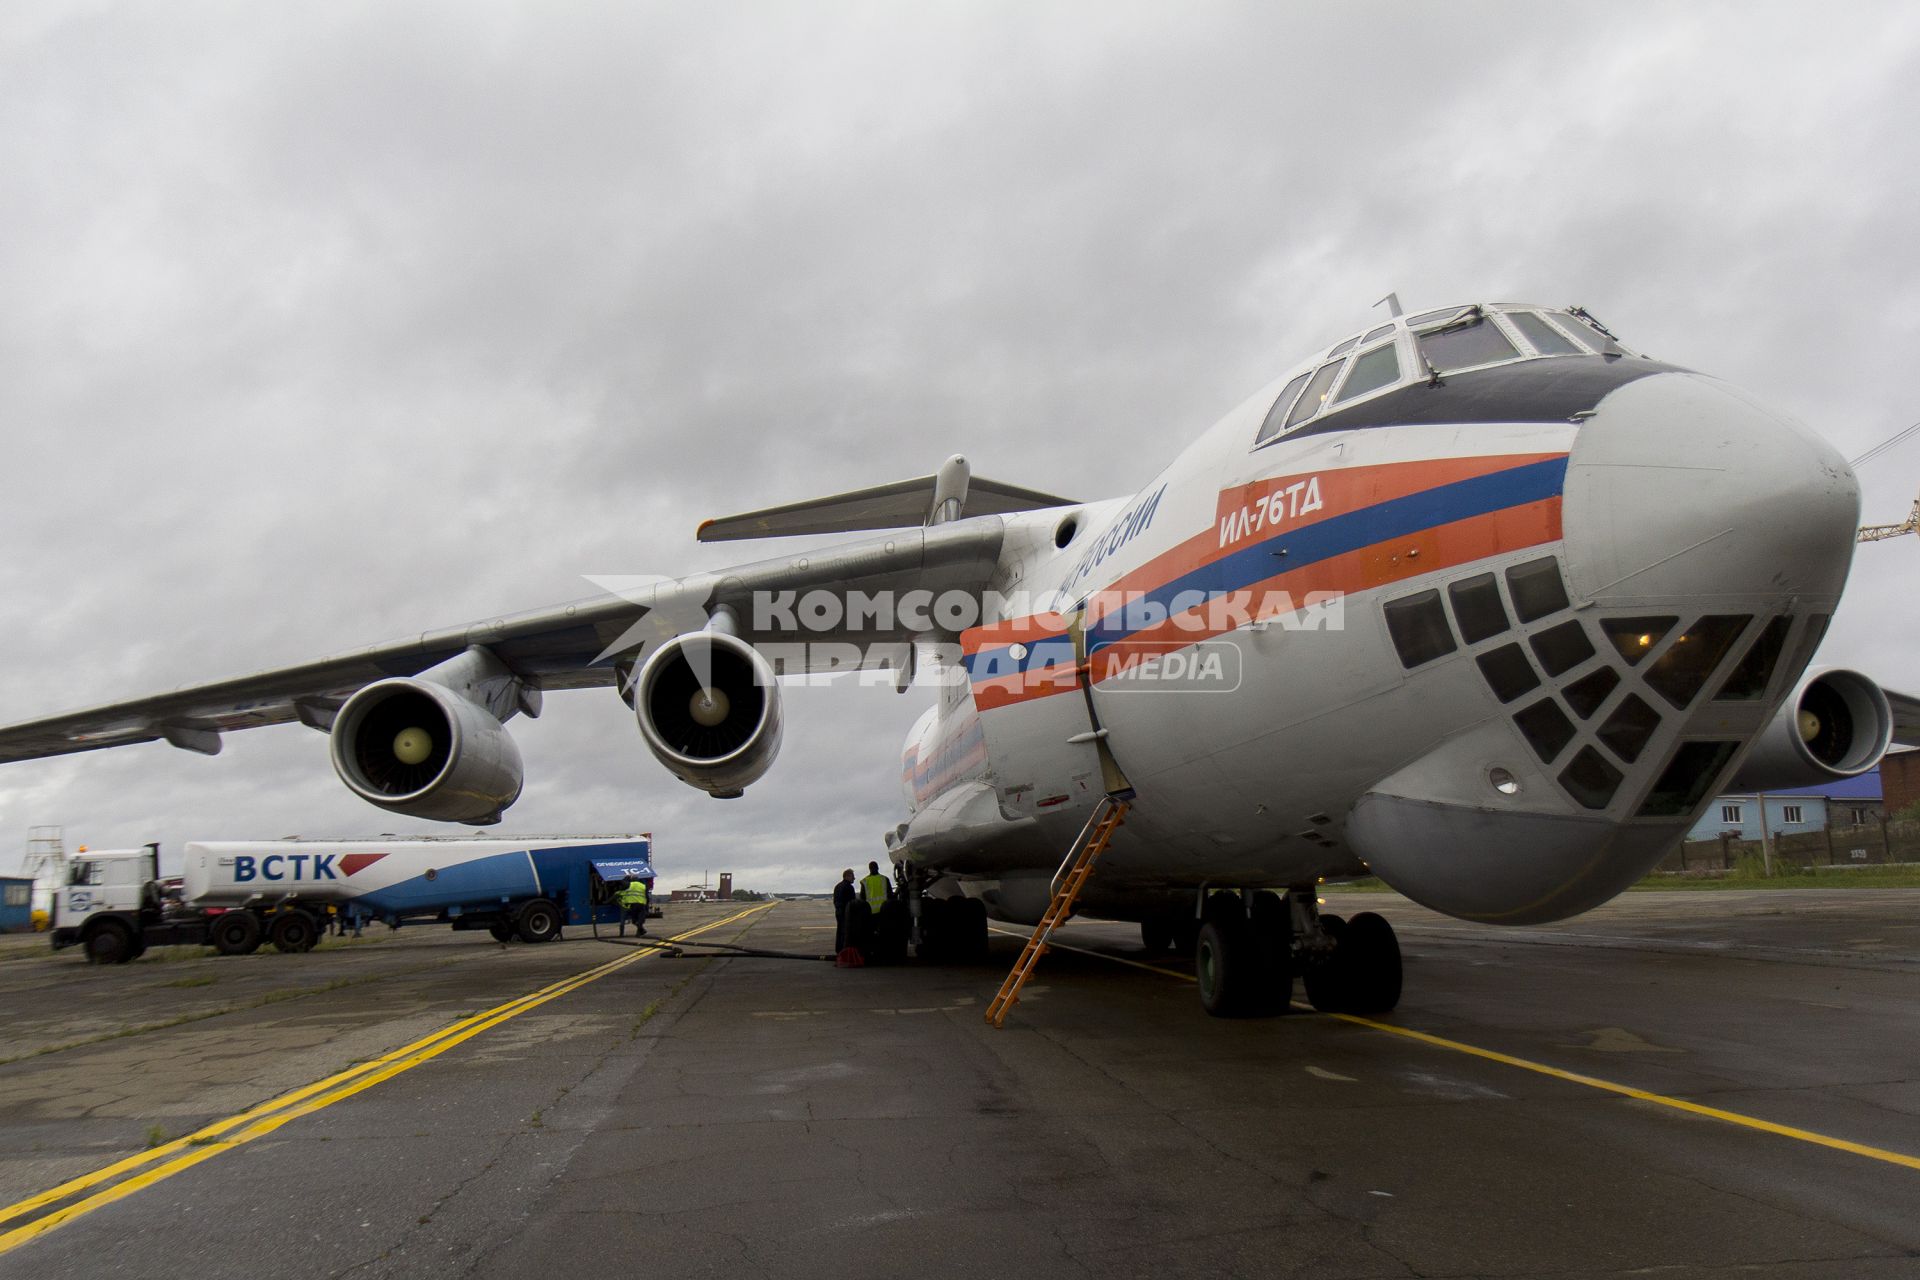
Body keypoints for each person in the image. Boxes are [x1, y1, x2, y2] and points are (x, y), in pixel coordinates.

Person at [832, 869, 856, 952]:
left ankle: (839, 950)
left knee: (840, 931)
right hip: (846, 913)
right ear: (847, 876)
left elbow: (835, 901)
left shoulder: (837, 886)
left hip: (838, 912)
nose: (854, 878)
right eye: (853, 876)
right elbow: (852, 902)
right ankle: (845, 951)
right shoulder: (849, 887)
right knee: (846, 932)